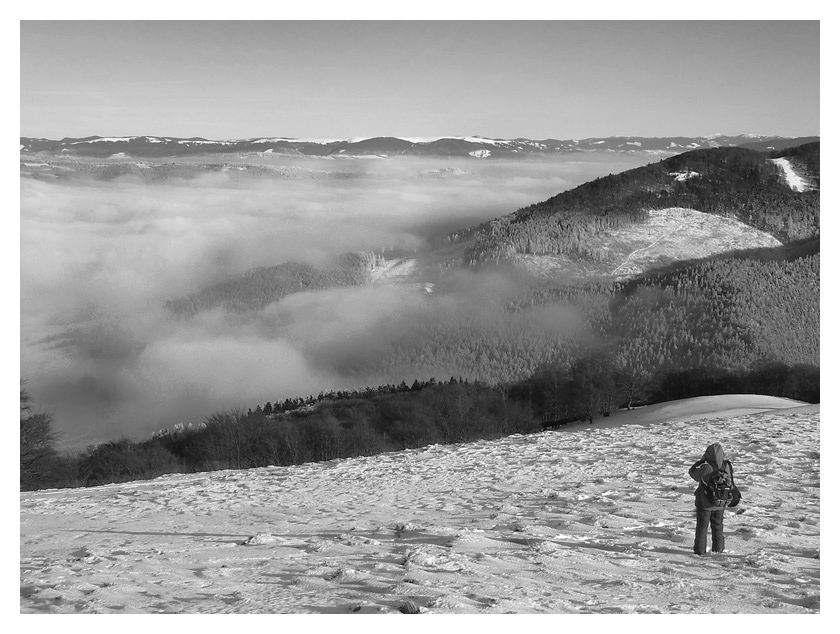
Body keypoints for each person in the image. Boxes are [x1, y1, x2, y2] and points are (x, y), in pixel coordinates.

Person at [688, 442, 741, 555]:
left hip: (704, 502)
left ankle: (700, 551)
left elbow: (692, 473)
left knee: (702, 527)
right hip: (720, 501)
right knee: (718, 525)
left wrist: (701, 461)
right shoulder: (726, 465)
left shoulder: (706, 467)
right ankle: (718, 549)